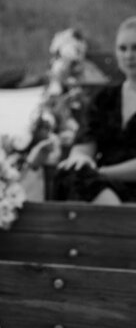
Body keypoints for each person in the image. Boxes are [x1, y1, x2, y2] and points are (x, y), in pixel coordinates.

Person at [57, 16, 136, 203]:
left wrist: (102, 173)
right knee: (68, 174)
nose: (129, 55)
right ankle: (114, 220)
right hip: (102, 187)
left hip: (121, 180)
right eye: (122, 48)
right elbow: (84, 147)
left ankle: (116, 224)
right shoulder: (105, 98)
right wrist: (81, 161)